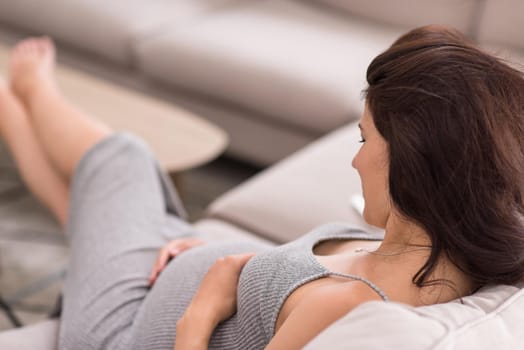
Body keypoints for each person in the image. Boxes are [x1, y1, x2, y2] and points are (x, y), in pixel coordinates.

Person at [0, 24, 523, 350]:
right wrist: (219, 260)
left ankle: (29, 89)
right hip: (167, 276)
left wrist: (207, 298)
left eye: (366, 140)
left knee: (126, 158)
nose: (356, 159)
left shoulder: (348, 307)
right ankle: (9, 104)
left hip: (122, 330)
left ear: (413, 165)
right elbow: (286, 289)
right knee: (98, 210)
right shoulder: (426, 249)